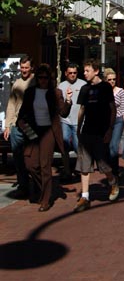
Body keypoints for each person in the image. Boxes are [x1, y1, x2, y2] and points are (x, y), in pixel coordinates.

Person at [17, 63, 72, 211]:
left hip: (48, 131)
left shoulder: (56, 93)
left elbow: (63, 113)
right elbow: (22, 113)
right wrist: (21, 123)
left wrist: (68, 101)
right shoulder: (30, 92)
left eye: (45, 78)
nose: (43, 80)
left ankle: (46, 200)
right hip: (33, 131)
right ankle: (45, 188)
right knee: (30, 164)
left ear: (50, 79)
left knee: (45, 165)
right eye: (40, 77)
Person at [74, 59, 119, 213]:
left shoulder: (106, 87)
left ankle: (113, 181)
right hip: (87, 130)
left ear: (96, 71)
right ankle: (85, 197)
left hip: (101, 130)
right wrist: (78, 127)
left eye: (87, 71)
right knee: (84, 165)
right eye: (84, 71)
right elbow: (82, 109)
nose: (84, 73)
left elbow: (112, 109)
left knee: (103, 164)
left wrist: (110, 129)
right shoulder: (84, 89)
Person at [3, 55, 36, 199]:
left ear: (31, 68)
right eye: (22, 68)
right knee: (17, 157)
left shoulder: (36, 82)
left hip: (31, 126)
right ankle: (23, 186)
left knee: (32, 157)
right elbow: (11, 105)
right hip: (17, 125)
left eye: (26, 68)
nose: (24, 70)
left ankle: (36, 185)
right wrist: (8, 125)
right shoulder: (16, 84)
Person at [58, 63, 87, 179]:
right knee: (64, 145)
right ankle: (66, 171)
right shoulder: (61, 86)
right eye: (70, 73)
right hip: (64, 121)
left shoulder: (83, 85)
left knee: (77, 146)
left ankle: (80, 169)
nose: (72, 75)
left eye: (74, 73)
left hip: (78, 121)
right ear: (66, 73)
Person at [105, 67, 124, 179]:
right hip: (105, 122)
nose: (112, 81)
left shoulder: (120, 92)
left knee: (114, 146)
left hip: (118, 121)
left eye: (113, 79)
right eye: (109, 80)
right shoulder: (102, 92)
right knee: (107, 146)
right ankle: (109, 168)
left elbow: (123, 109)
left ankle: (114, 170)